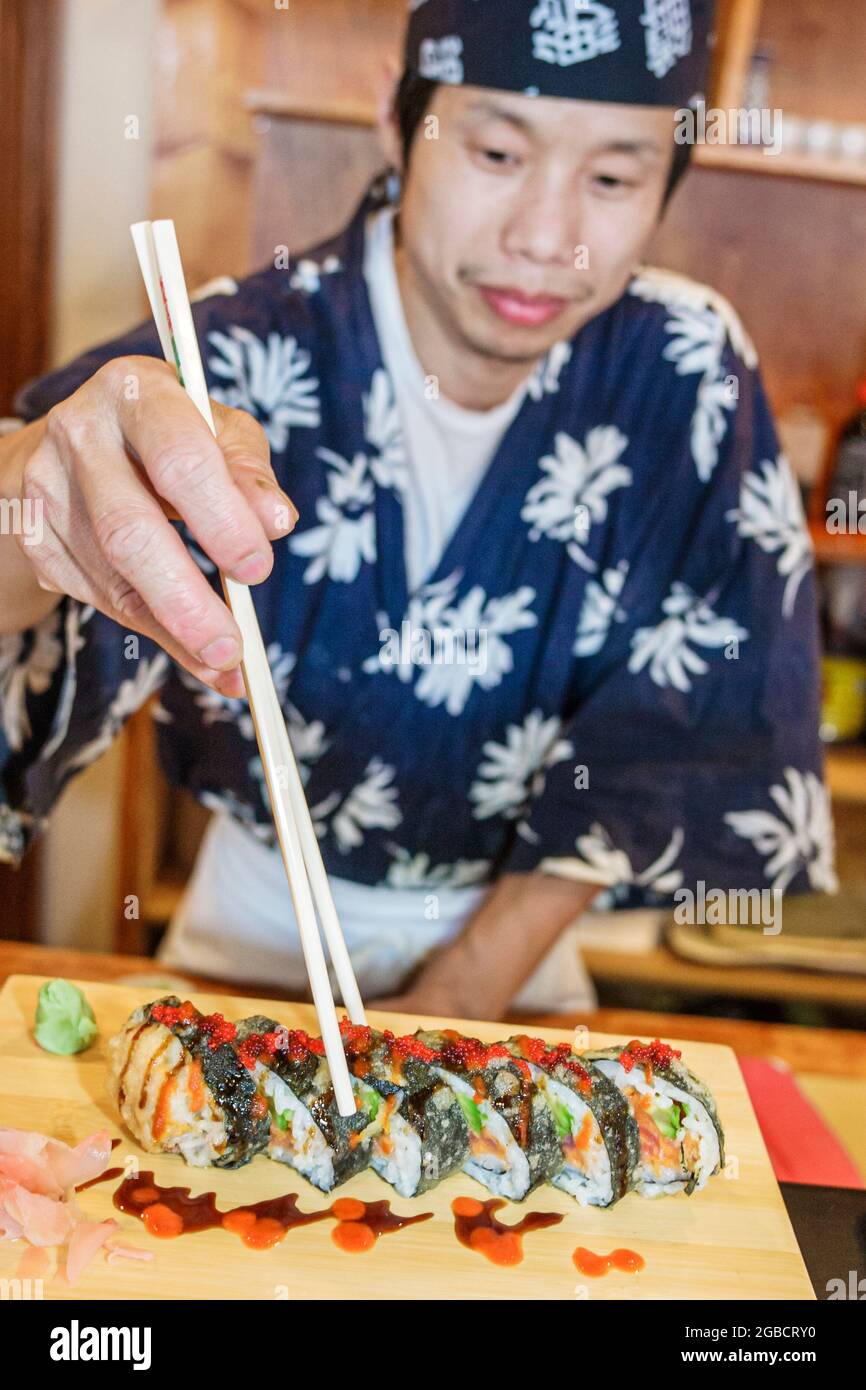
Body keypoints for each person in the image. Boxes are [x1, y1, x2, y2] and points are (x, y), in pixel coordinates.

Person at [0, 0, 835, 1020]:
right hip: (255, 932)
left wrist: (449, 1007)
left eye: (611, 177)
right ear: (397, 128)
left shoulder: (683, 369)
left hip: (519, 959)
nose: (543, 239)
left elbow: (681, 729)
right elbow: (43, 522)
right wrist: (29, 486)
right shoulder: (242, 350)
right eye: (493, 151)